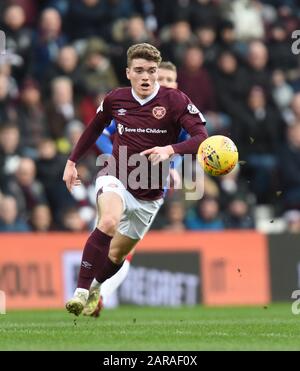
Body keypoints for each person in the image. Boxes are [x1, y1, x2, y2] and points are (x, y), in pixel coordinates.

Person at [63, 43, 208, 316]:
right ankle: (80, 292)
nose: (146, 77)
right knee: (108, 221)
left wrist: (171, 151)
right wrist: (71, 161)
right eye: (139, 71)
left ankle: (95, 287)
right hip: (115, 175)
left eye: (151, 71)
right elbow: (93, 129)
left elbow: (202, 137)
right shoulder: (115, 99)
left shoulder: (175, 100)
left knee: (116, 256)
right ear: (128, 72)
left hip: (150, 195)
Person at [91, 61, 185, 315]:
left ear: (176, 84)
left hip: (151, 189)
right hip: (118, 178)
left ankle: (98, 296)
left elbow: (187, 143)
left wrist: (174, 165)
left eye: (169, 79)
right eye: (160, 78)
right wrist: (119, 155)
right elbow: (99, 132)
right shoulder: (133, 105)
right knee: (105, 235)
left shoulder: (179, 111)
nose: (164, 83)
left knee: (122, 252)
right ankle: (91, 291)